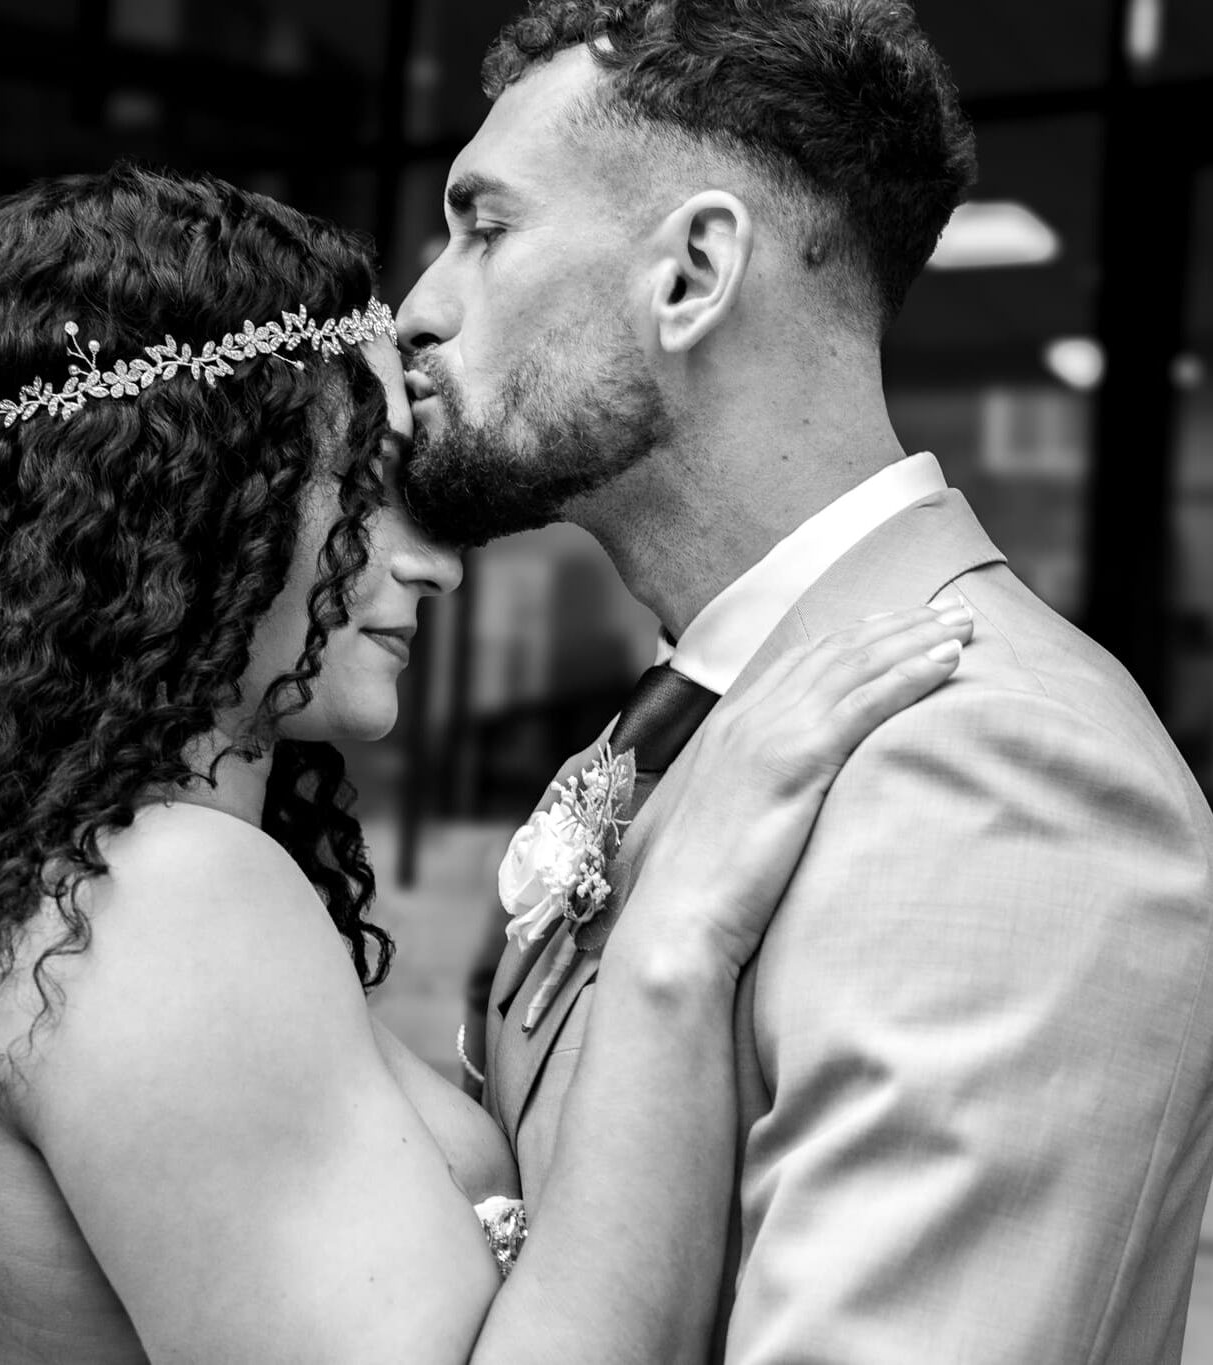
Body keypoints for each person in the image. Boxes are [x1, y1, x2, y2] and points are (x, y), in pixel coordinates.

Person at [0, 163, 973, 1363]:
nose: (433, 560)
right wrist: (681, 940)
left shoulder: (64, 878)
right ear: (189, 504)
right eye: (363, 483)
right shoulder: (163, 900)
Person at [396, 1, 1213, 1361]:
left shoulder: (995, 768)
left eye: (484, 228)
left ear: (693, 271)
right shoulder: (682, 727)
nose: (420, 308)